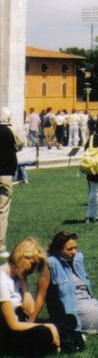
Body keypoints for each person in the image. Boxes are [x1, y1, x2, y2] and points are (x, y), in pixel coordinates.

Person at [0, 238, 60, 358]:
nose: (32, 270)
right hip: (6, 328)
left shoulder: (17, 276)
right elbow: (13, 325)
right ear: (20, 258)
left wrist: (24, 285)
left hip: (20, 322)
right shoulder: (1, 280)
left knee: (66, 321)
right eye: (32, 265)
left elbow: (30, 310)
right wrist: (47, 326)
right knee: (43, 333)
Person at [0, 107, 21, 258]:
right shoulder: (10, 131)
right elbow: (20, 145)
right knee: (2, 210)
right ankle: (0, 246)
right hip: (4, 174)